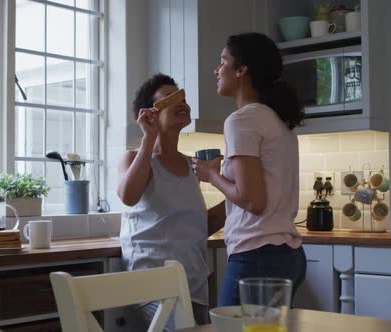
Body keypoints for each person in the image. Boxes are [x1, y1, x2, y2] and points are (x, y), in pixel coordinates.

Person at [193, 32, 307, 306]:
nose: (216, 70)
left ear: (242, 70)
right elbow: (254, 200)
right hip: (288, 254)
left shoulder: (241, 120)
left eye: (223, 62)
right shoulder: (277, 120)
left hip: (257, 256)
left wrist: (211, 175)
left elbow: (253, 201)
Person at [117, 74, 225, 330]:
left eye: (182, 97)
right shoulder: (133, 157)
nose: (182, 102)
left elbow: (199, 226)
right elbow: (128, 196)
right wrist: (148, 138)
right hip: (151, 284)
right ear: (150, 114)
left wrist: (237, 193)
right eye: (169, 98)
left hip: (193, 285)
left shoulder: (192, 165)